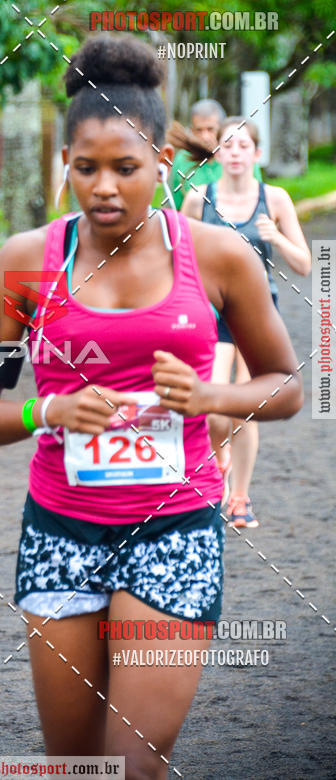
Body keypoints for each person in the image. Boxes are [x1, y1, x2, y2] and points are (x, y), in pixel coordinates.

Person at [0, 35, 303, 778]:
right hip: (60, 535)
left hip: (173, 534)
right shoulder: (22, 262)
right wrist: (45, 415)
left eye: (125, 168)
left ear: (164, 166)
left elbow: (287, 384)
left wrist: (210, 397)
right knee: (76, 765)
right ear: (66, 167)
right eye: (85, 168)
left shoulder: (218, 256)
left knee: (134, 765)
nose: (104, 187)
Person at [182, 118, 311, 528]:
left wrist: (275, 237)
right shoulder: (198, 199)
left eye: (244, 145)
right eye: (228, 145)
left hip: (257, 312)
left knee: (245, 404)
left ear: (257, 155)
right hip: (211, 312)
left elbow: (306, 265)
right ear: (217, 154)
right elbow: (180, 257)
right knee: (212, 402)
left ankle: (239, 498)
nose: (235, 152)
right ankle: (220, 456)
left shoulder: (274, 199)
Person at [168, 99, 263, 210]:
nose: (205, 137)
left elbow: (259, 202)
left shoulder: (242, 157)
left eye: (211, 129)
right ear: (192, 131)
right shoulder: (183, 159)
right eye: (199, 130)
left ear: (222, 129)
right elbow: (174, 208)